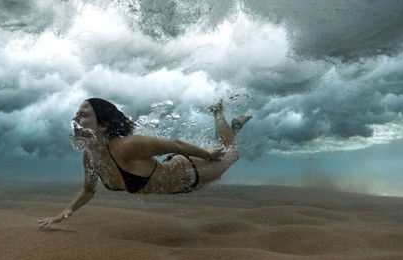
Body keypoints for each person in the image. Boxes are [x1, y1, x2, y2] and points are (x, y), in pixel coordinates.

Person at [37, 98, 251, 229]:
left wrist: (207, 155)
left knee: (232, 154)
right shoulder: (90, 157)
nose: (76, 119)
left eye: (83, 115)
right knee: (226, 152)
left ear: (103, 125)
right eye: (76, 114)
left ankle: (218, 112)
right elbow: (88, 189)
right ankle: (234, 128)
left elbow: (173, 144)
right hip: (173, 177)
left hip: (189, 173)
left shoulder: (125, 147)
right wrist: (65, 212)